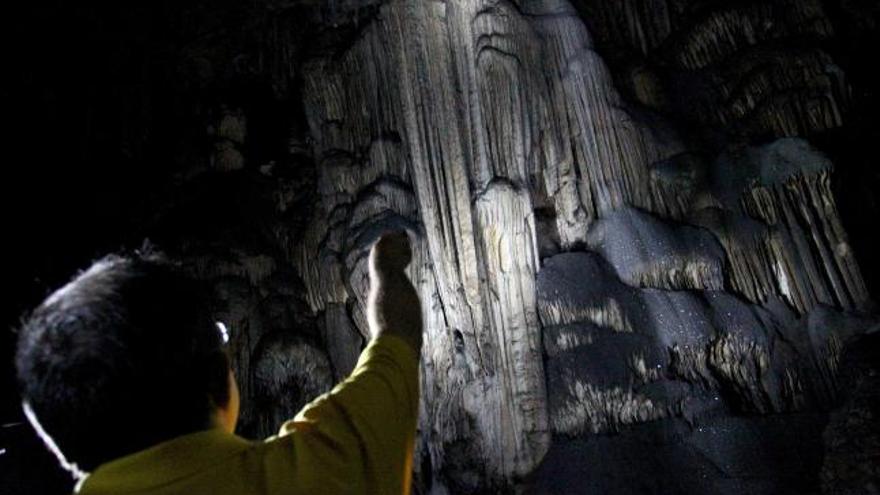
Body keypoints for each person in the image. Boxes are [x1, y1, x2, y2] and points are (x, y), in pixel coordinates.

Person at [14, 232, 422, 495]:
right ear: (215, 377)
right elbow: (398, 335)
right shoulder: (323, 471)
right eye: (222, 339)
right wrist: (384, 267)